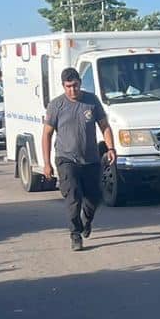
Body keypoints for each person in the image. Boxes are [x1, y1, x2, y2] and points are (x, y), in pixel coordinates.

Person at [42, 67, 116, 251]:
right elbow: (47, 135)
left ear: (80, 84)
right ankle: (75, 234)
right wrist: (46, 163)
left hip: (90, 159)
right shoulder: (56, 105)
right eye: (68, 87)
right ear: (63, 86)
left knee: (94, 197)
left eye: (75, 86)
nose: (72, 90)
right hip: (66, 158)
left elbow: (104, 126)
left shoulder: (91, 101)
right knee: (73, 196)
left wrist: (111, 148)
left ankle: (86, 221)